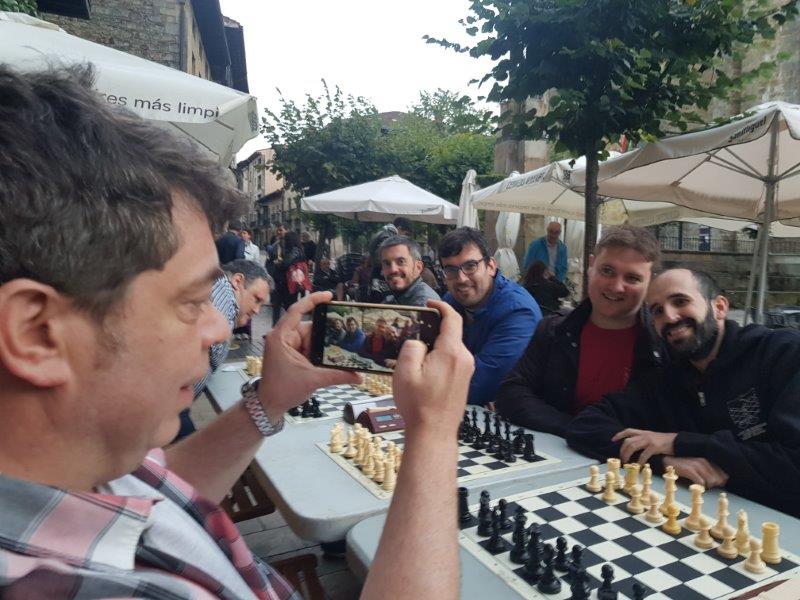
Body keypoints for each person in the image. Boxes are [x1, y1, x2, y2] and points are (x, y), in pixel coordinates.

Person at [0, 65, 473, 600]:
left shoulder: (71, 467)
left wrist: (268, 400)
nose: (218, 326)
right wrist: (433, 435)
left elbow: (169, 493)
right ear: (38, 333)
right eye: (192, 301)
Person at [566, 268, 800, 517]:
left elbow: (793, 464)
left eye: (680, 301)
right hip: (701, 516)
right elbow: (586, 426)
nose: (669, 316)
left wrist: (678, 442)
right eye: (657, 311)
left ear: (719, 307)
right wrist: (664, 462)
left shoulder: (784, 353)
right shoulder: (666, 379)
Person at [496, 226, 664, 436]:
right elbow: (511, 393)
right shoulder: (553, 330)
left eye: (632, 278)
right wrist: (579, 430)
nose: (616, 286)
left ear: (650, 282)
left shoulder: (663, 345)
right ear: (591, 266)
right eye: (607, 271)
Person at [439, 227, 542, 406]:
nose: (461, 278)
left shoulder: (518, 312)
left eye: (470, 266)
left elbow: (481, 385)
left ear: (491, 266)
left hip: (507, 414)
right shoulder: (450, 301)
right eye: (451, 270)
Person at [379, 235, 440, 306]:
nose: (393, 269)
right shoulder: (394, 299)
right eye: (387, 263)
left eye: (401, 262)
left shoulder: (424, 302)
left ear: (418, 267)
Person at [278, 230, 311, 308]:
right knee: (291, 302)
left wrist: (279, 264)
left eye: (285, 239)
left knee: (289, 303)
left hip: (291, 280)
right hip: (295, 280)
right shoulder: (299, 249)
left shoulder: (294, 251)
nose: (284, 241)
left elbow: (285, 264)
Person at [265, 223, 288, 324]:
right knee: (276, 306)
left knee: (288, 307)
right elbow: (270, 257)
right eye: (278, 230)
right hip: (277, 279)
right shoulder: (276, 244)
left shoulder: (290, 244)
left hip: (287, 279)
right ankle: (275, 328)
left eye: (281, 230)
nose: (279, 232)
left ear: (287, 230)